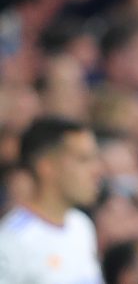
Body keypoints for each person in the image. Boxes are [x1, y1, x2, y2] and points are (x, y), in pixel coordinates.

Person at [0, 117, 103, 283]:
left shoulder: (81, 225)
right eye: (83, 160)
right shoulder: (12, 240)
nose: (97, 170)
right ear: (47, 166)